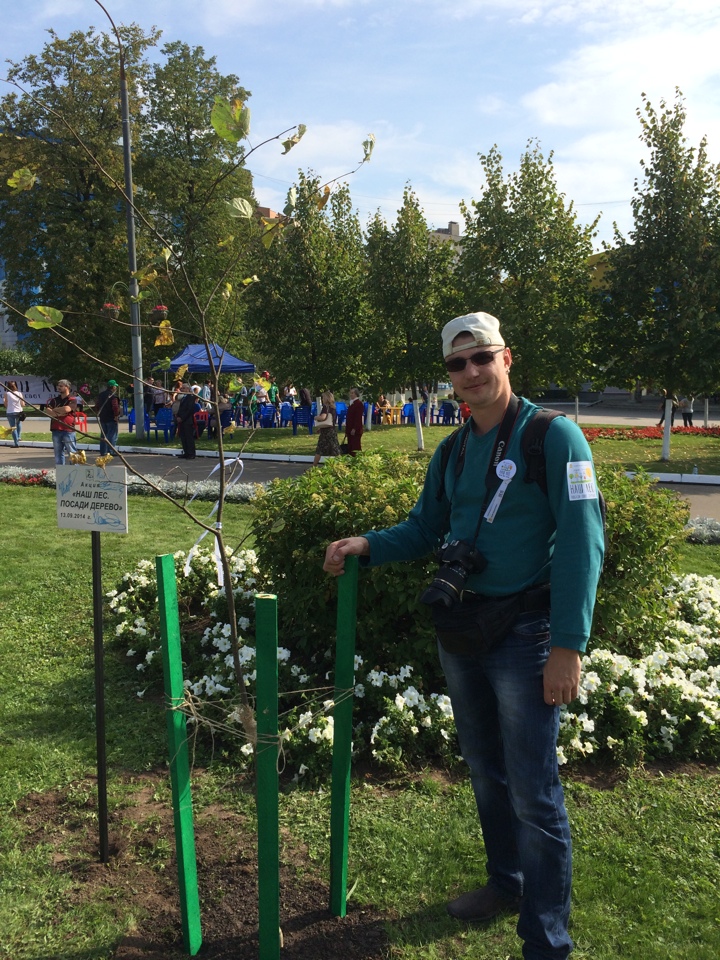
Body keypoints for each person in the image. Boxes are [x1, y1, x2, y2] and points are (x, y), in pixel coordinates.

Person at [323, 311, 604, 960]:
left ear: (507, 358)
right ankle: (506, 883)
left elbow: (583, 541)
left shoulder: (555, 436)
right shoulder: (452, 450)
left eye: (482, 357)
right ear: (449, 375)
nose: (472, 371)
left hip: (528, 632)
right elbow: (426, 528)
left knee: (534, 791)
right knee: (484, 772)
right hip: (464, 629)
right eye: (458, 363)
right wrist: (367, 543)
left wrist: (568, 645)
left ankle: (547, 940)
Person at [47, 379, 78, 465]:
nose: (58, 387)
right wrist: (60, 413)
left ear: (67, 387)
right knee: (58, 454)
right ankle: (60, 472)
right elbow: (48, 411)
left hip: (68, 430)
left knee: (72, 453)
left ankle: (76, 471)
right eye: (58, 386)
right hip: (56, 430)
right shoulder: (54, 400)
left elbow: (67, 409)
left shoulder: (72, 399)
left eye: (61, 386)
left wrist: (54, 410)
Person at [312, 390, 341, 466]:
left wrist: (316, 417)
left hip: (326, 432)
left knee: (319, 449)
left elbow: (323, 417)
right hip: (332, 430)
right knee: (335, 449)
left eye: (323, 398)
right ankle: (342, 465)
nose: (322, 399)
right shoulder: (333, 408)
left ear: (327, 399)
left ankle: (314, 466)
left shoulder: (325, 407)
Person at [174, 383, 199, 459]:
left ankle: (191, 453)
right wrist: (178, 416)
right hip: (181, 420)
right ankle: (186, 452)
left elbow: (189, 410)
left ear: (188, 389)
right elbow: (181, 408)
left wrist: (182, 418)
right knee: (183, 437)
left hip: (188, 420)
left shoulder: (191, 397)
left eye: (184, 388)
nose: (182, 389)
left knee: (189, 437)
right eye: (182, 388)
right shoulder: (183, 397)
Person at [96, 379, 120, 455]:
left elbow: (97, 405)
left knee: (103, 435)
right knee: (112, 435)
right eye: (115, 386)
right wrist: (116, 415)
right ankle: (111, 451)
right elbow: (115, 407)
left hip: (102, 417)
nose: (116, 388)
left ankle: (103, 451)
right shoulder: (113, 396)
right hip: (111, 418)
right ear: (113, 387)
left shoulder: (101, 395)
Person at [4, 380, 26, 447]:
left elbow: (6, 404)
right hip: (19, 411)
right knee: (19, 424)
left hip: (10, 412)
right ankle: (19, 436)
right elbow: (23, 404)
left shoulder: (7, 394)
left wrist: (6, 403)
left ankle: (16, 443)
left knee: (13, 427)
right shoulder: (19, 393)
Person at [344, 387, 364, 455]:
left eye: (352, 393)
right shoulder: (351, 403)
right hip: (349, 428)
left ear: (356, 394)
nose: (351, 394)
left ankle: (357, 458)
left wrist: (354, 428)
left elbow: (358, 418)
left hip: (355, 429)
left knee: (355, 447)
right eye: (350, 393)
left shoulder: (358, 403)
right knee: (350, 446)